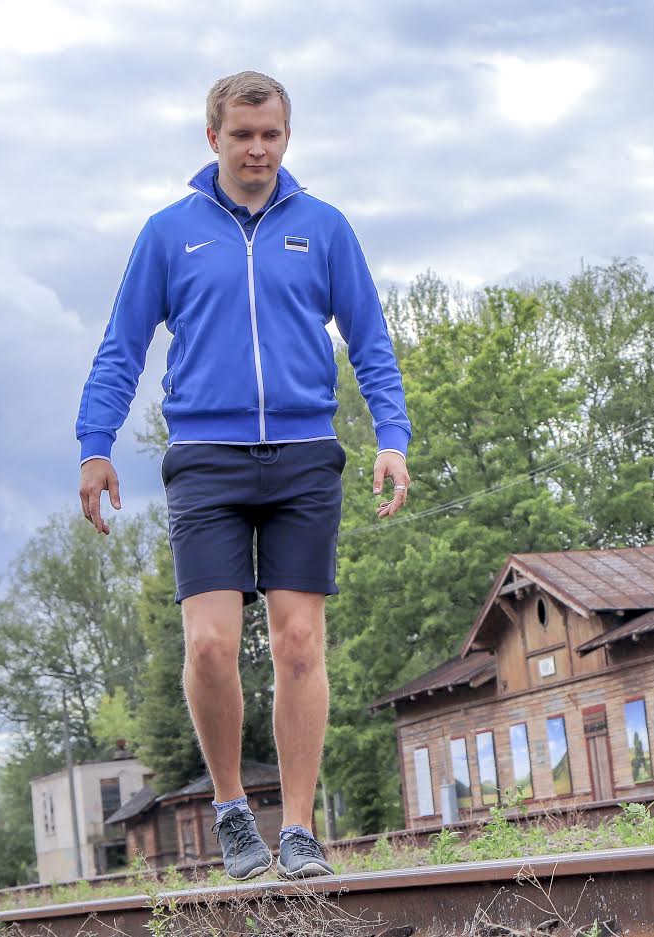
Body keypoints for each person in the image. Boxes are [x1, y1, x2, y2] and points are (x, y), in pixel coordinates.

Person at [74, 70, 412, 881]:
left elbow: (370, 340)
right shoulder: (169, 233)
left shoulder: (324, 229)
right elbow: (122, 347)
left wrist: (391, 436)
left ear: (286, 137)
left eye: (271, 135)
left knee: (299, 643)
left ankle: (297, 828)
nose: (257, 149)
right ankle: (231, 809)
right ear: (213, 139)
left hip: (303, 456)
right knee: (211, 645)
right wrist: (96, 442)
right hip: (206, 461)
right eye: (242, 135)